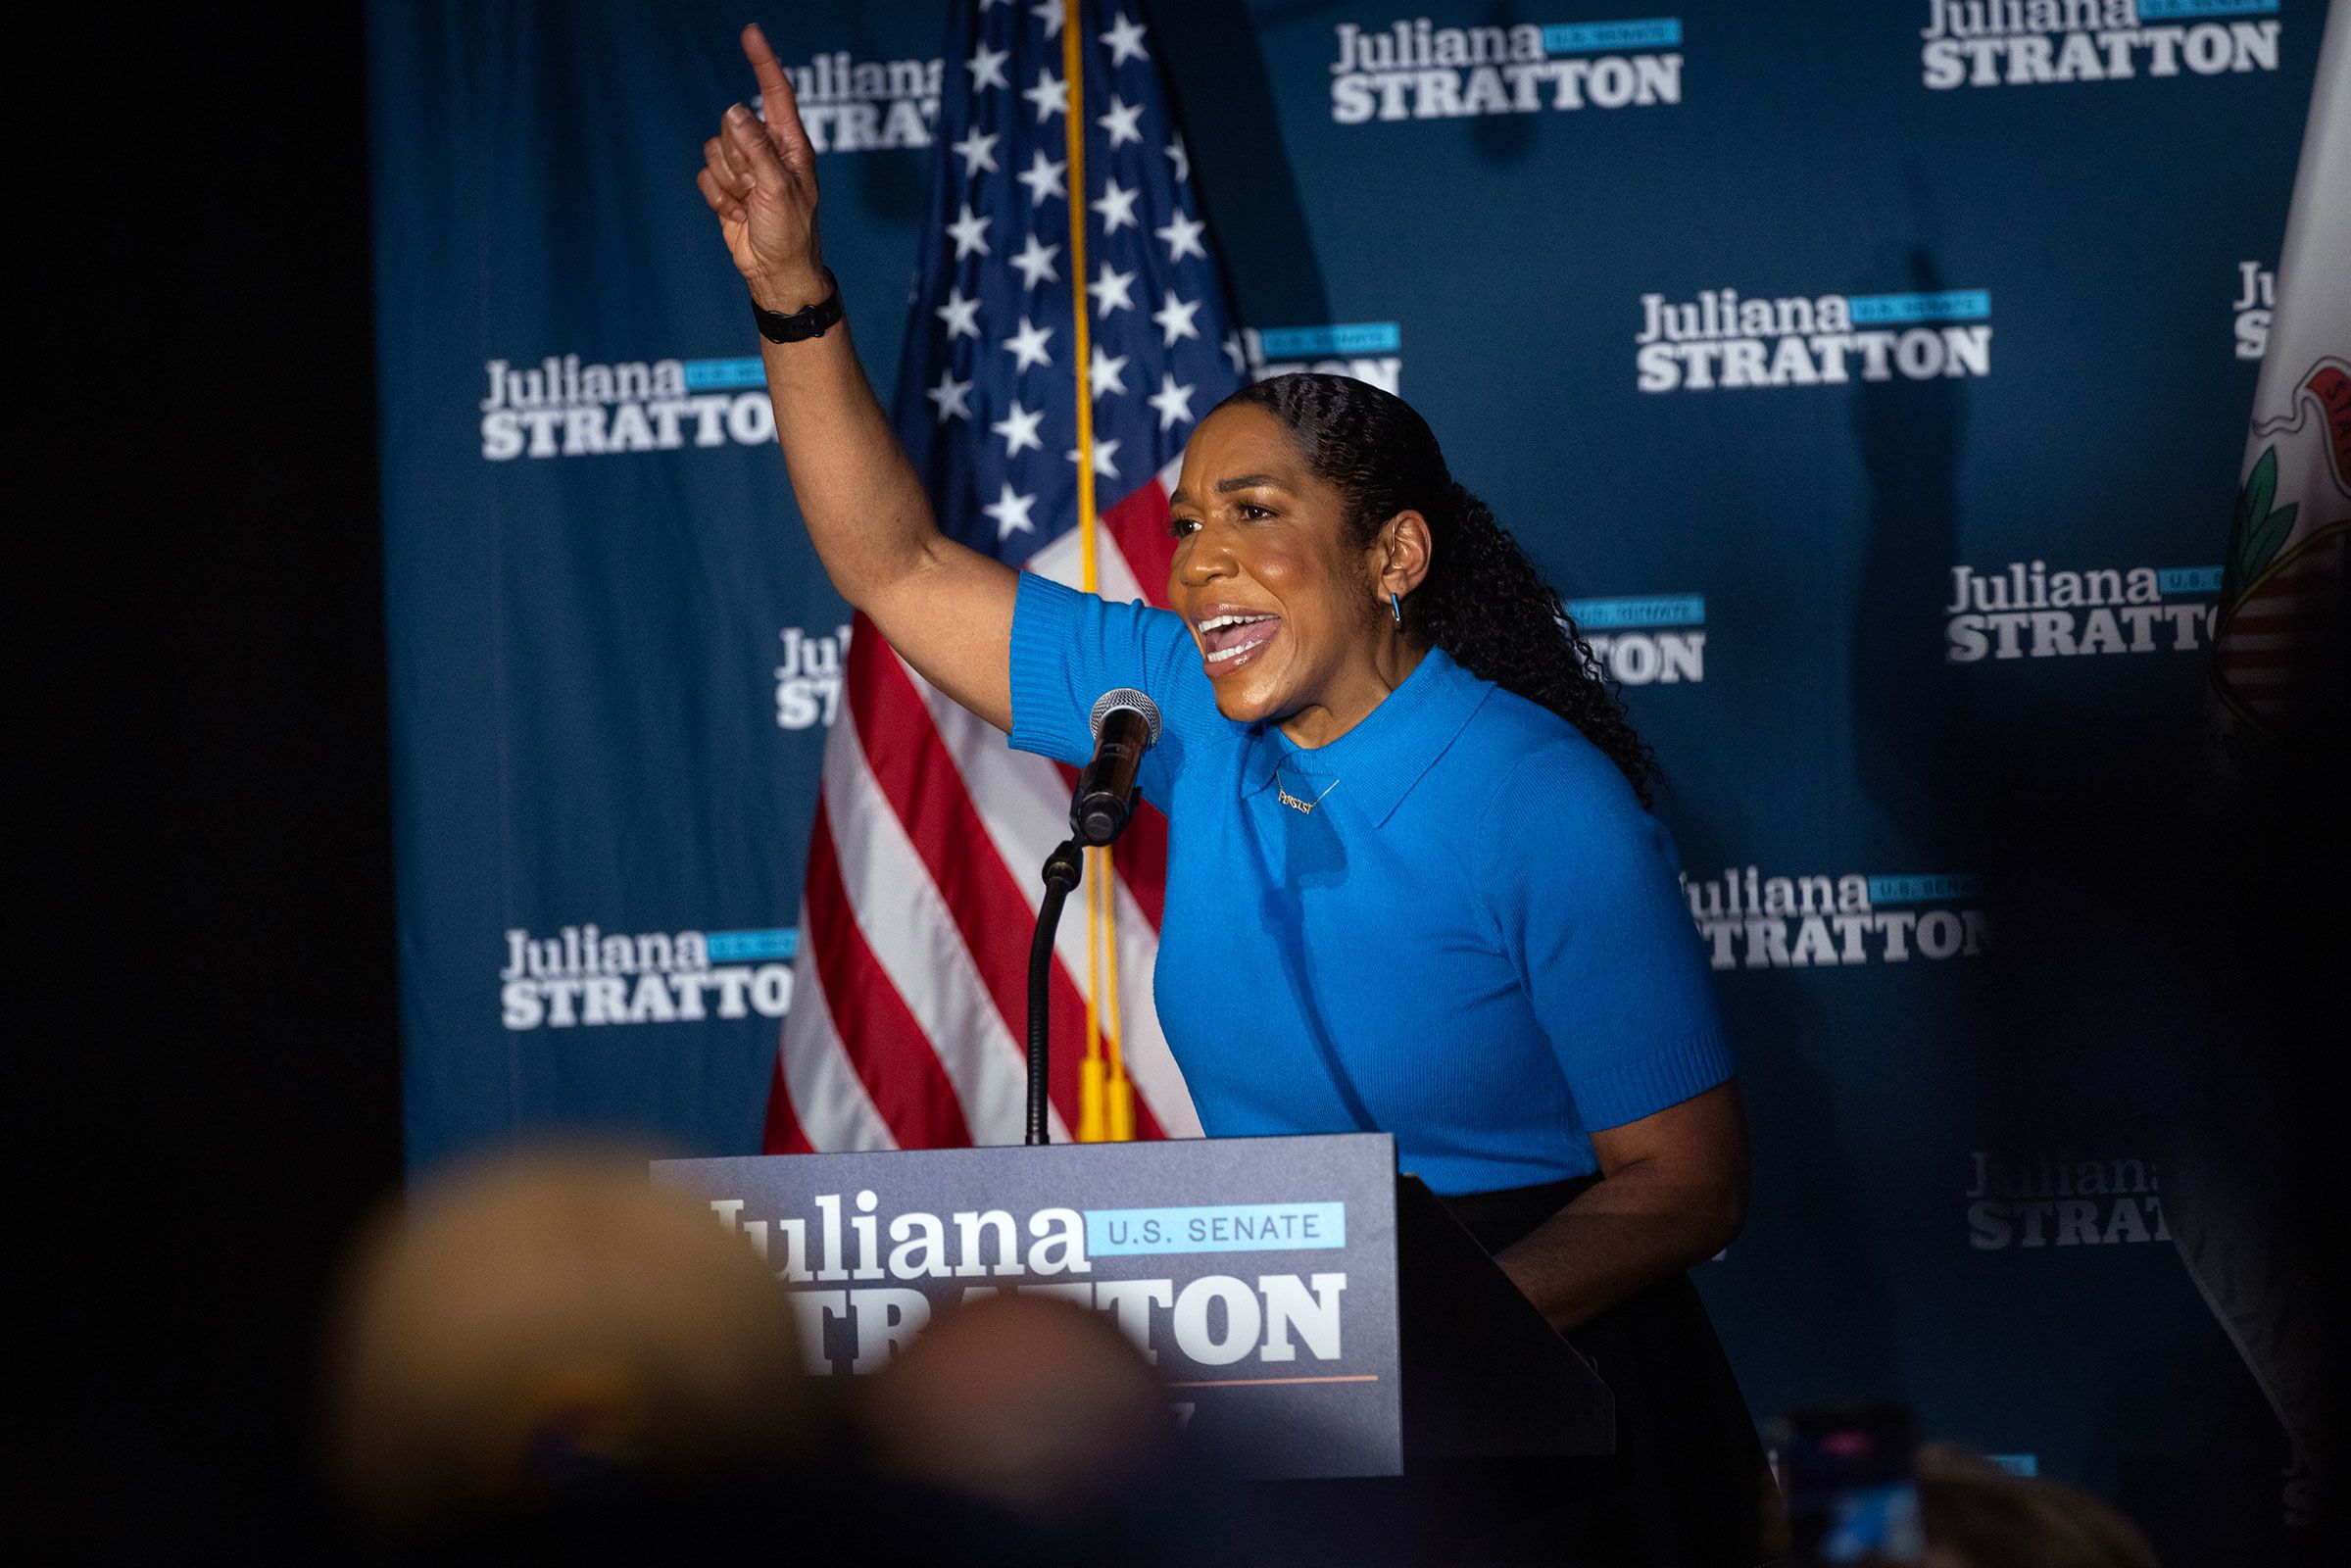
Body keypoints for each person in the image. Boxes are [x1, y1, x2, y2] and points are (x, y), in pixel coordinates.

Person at [697, 24, 1771, 1564]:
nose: (1199, 557)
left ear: (1392, 557)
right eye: (1191, 520)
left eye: (1255, 515)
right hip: (1305, 1363)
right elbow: (894, 565)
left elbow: (1688, 1187)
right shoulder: (1175, 703)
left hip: (1554, 1406)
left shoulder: (1544, 801)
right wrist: (791, 293)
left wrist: (1412, 1342)